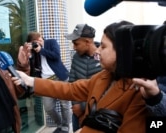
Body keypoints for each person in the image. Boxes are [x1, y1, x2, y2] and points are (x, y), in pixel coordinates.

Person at [12, 20, 150, 133]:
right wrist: (30, 80)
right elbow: (71, 88)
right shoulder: (102, 77)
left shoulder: (139, 90)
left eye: (103, 46)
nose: (98, 50)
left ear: (122, 50)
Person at [17, 32, 71, 133]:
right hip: (45, 81)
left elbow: (56, 56)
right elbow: (33, 68)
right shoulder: (34, 51)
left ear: (41, 38)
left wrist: (41, 50)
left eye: (39, 40)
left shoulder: (51, 42)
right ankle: (60, 124)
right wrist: (29, 55)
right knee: (48, 107)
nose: (38, 43)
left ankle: (65, 126)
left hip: (59, 78)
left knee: (64, 105)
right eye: (34, 42)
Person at [65, 24, 102, 132]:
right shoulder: (76, 57)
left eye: (76, 43)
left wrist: (82, 107)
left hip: (97, 113)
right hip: (77, 113)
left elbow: (106, 89)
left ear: (87, 42)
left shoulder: (104, 57)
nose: (74, 47)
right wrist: (76, 106)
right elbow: (71, 82)